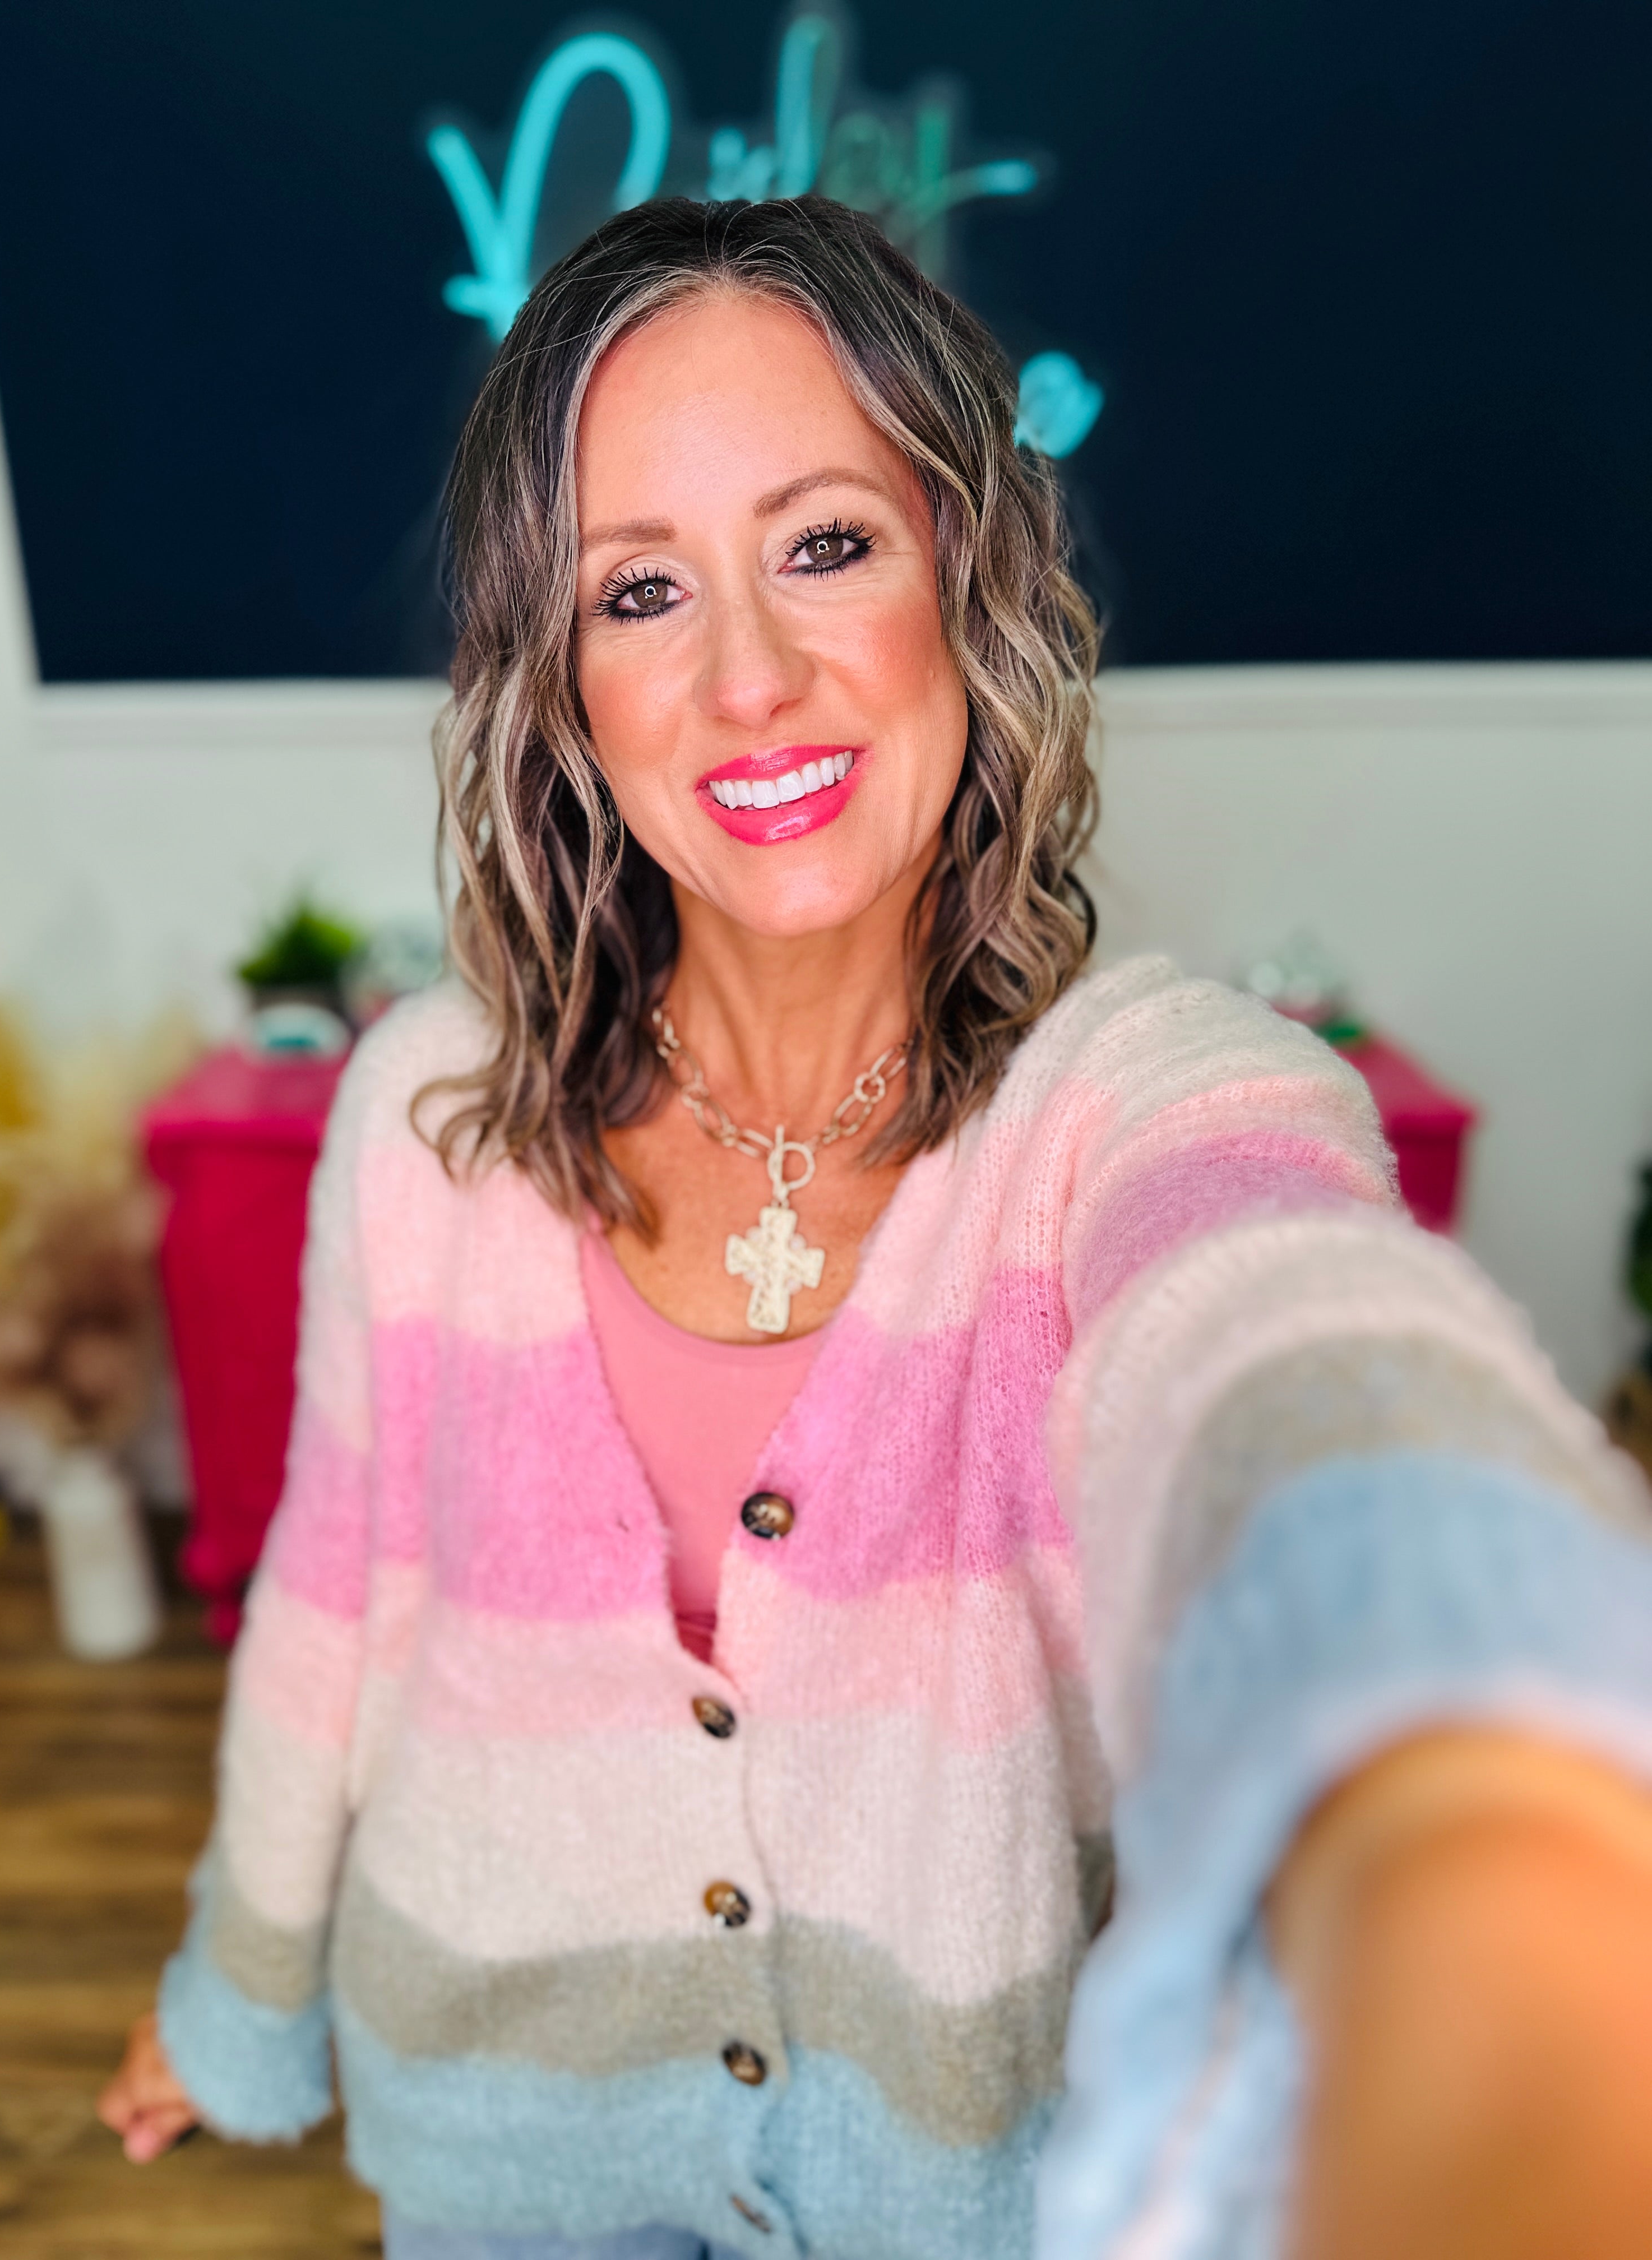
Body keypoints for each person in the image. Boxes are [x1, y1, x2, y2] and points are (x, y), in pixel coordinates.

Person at [100, 197, 1652, 2259]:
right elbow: (336, 1589)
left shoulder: (1139, 1107)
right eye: (640, 590)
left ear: (964, 570)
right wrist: (238, 1994)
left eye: (826, 545)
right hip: (492, 2157)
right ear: (563, 691)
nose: (748, 677)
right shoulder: (426, 1114)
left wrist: (1485, 1812)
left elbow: (1297, 1367)